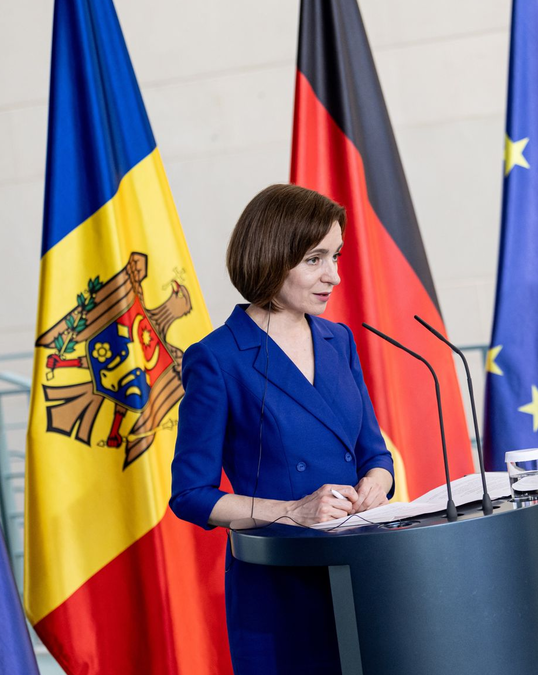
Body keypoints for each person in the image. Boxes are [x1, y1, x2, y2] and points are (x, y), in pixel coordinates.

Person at [170, 183, 394, 674]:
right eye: (315, 259)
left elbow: (375, 455)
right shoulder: (218, 357)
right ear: (272, 256)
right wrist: (293, 510)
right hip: (279, 584)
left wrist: (376, 487)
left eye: (336, 256)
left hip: (362, 568)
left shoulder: (339, 340)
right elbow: (190, 495)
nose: (334, 276)